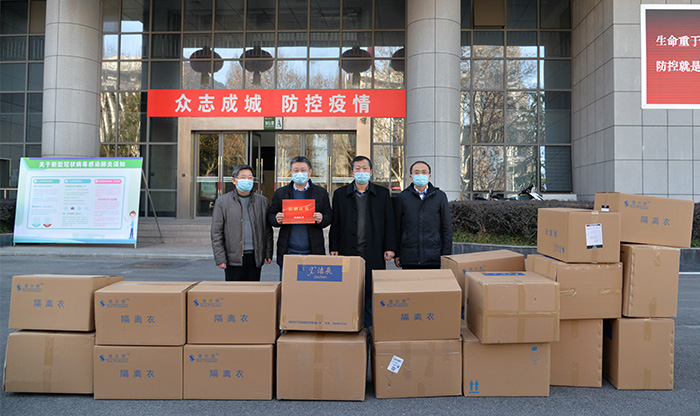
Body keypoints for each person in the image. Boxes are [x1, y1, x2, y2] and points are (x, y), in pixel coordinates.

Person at [329, 155, 396, 327]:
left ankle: (369, 328)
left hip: (374, 250)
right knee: (349, 290)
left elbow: (389, 223)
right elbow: (336, 223)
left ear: (371, 172)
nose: (361, 172)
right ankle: (349, 325)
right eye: (357, 169)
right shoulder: (340, 194)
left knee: (371, 291)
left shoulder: (382, 194)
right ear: (352, 172)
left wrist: (390, 247)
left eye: (365, 168)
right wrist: (334, 246)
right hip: (348, 250)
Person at [267, 156, 332, 277]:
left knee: (311, 286)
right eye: (296, 170)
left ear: (310, 172)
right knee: (288, 286)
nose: (299, 173)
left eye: (303, 170)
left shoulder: (320, 193)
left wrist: (322, 219)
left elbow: (329, 216)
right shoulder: (281, 193)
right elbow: (270, 216)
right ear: (291, 172)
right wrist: (276, 219)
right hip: (288, 251)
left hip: (313, 250)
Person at [211, 164, 273, 281]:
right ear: (234, 180)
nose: (247, 180)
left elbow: (267, 231)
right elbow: (216, 232)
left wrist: (268, 253)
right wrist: (220, 258)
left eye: (250, 178)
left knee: (253, 290)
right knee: (234, 290)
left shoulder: (262, 201)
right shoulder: (222, 202)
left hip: (255, 256)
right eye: (243, 177)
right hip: (233, 258)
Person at [394, 161, 453, 269]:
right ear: (411, 176)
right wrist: (397, 253)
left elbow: (446, 228)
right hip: (409, 256)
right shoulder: (403, 197)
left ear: (429, 176)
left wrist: (446, 255)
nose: (420, 175)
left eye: (424, 172)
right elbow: (397, 227)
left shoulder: (439, 196)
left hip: (433, 256)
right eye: (416, 172)